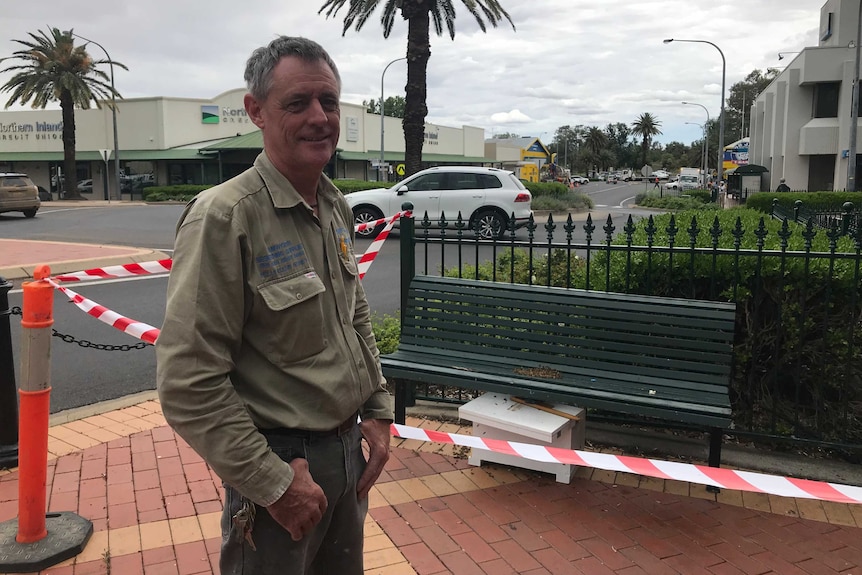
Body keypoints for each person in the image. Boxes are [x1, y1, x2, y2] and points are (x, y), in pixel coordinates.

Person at [155, 36, 393, 575]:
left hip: (345, 456)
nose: (319, 117)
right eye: (297, 103)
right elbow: (188, 382)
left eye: (328, 102)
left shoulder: (331, 203)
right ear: (256, 112)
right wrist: (273, 485)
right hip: (281, 467)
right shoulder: (224, 217)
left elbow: (353, 315)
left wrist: (377, 410)